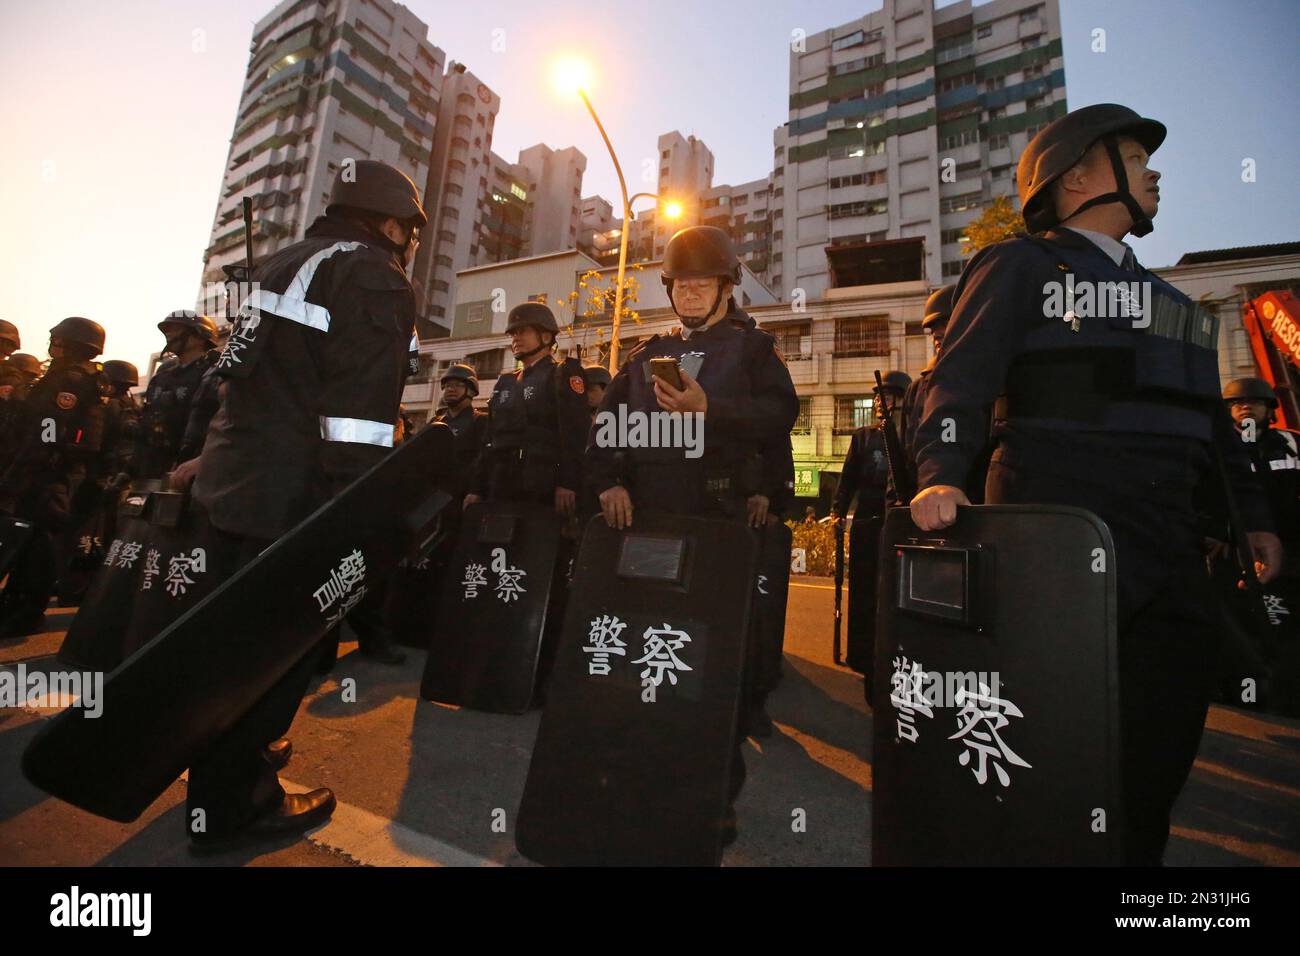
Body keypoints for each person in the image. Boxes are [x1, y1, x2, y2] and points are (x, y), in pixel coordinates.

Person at [909, 104, 1281, 866]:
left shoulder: (1176, 306)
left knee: (1158, 750)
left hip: (1170, 544)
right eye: (1135, 158)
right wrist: (940, 475)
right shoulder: (1016, 268)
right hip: (1057, 525)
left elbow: (1213, 429)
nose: (1154, 172)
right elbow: (961, 383)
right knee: (1050, 742)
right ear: (1077, 176)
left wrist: (1253, 520)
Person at [185, 158, 426, 847]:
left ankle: (229, 765)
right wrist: (356, 513)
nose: (408, 242)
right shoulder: (375, 275)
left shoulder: (280, 263)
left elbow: (235, 383)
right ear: (387, 222)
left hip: (231, 487)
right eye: (407, 229)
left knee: (228, 645)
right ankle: (237, 804)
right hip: (298, 503)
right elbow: (357, 419)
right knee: (278, 652)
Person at [586, 224, 799, 842]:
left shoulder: (755, 351)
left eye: (704, 283)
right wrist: (609, 483)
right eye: (681, 284)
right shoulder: (644, 354)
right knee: (645, 652)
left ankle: (711, 794)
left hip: (718, 526)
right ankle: (639, 774)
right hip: (647, 525)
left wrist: (713, 412)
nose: (692, 294)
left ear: (727, 287)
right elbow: (607, 431)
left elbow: (780, 416)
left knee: (713, 660)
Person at [0, 317, 109, 637]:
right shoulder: (62, 377)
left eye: (59, 340)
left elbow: (51, 432)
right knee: (28, 540)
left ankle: (27, 611)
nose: (53, 344)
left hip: (51, 473)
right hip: (40, 471)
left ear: (74, 344)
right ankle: (16, 604)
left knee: (41, 546)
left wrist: (29, 466)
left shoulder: (72, 381)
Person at [465, 303, 589, 516]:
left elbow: (576, 433)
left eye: (523, 331)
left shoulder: (562, 374)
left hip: (542, 485)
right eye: (513, 333)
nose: (516, 338)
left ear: (546, 337)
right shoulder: (505, 381)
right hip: (500, 483)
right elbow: (489, 439)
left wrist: (567, 482)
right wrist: (476, 488)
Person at [135, 311, 220, 481]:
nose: (169, 335)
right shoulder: (161, 377)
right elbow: (146, 425)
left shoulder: (213, 375)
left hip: (190, 470)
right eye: (167, 330)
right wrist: (130, 469)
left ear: (199, 335)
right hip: (152, 466)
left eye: (175, 329)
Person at [831, 370, 910, 521]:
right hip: (865, 515)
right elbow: (848, 477)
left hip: (897, 515)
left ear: (902, 400)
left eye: (885, 399)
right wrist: (838, 511)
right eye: (877, 399)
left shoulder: (910, 436)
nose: (879, 404)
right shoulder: (863, 436)